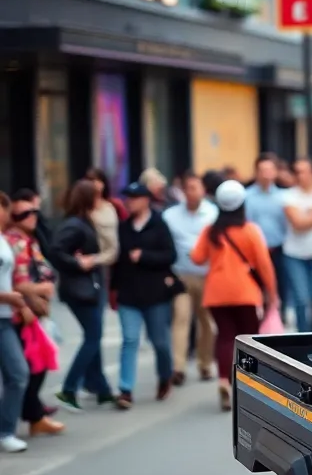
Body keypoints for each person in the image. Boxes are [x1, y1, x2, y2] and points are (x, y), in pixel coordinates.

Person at [191, 181, 278, 411]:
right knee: (249, 340)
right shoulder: (249, 230)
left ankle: (223, 380)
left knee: (225, 337)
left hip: (216, 292)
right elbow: (264, 265)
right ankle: (248, 384)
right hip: (245, 292)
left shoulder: (211, 230)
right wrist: (273, 293)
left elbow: (196, 257)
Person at [50, 180, 116, 411]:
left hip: (88, 287)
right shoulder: (75, 225)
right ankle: (69, 388)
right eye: (96, 196)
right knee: (93, 337)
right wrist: (78, 263)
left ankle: (102, 389)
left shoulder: (84, 221)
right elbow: (56, 252)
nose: (100, 200)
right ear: (88, 199)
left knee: (93, 336)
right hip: (80, 289)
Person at [112, 182, 179, 408]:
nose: (129, 201)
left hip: (155, 294)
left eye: (134, 197)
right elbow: (119, 261)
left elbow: (170, 255)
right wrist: (114, 289)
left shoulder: (159, 224)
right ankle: (125, 390)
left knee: (160, 342)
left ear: (146, 199)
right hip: (128, 294)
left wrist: (144, 256)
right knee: (130, 339)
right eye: (127, 197)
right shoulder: (123, 227)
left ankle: (164, 377)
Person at [4, 190, 64, 436]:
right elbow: (16, 283)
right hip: (21, 312)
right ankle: (29, 417)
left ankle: (34, 415)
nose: (31, 217)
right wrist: (36, 294)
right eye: (24, 214)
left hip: (31, 310)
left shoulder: (30, 239)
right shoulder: (15, 242)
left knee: (34, 365)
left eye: (34, 212)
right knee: (31, 367)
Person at [162, 171, 219, 385]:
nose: (191, 192)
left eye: (195, 187)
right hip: (181, 275)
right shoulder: (170, 216)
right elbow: (165, 245)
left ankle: (205, 364)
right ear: (182, 191)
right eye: (187, 188)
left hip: (207, 276)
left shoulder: (213, 214)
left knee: (207, 323)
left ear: (203, 190)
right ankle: (178, 367)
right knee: (181, 318)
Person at [0, 192, 32, 453]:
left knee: (18, 373)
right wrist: (7, 296)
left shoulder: (4, 239)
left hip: (5, 317)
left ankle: (6, 430)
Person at [282, 158, 312, 333]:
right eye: (296, 171)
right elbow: (298, 225)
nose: (299, 175)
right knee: (301, 299)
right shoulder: (289, 196)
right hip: (295, 255)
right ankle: (303, 335)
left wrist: (308, 215)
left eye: (303, 171)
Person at [245, 153, 291, 320]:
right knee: (257, 288)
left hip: (278, 248)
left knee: (281, 286)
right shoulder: (246, 196)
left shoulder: (284, 197)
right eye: (262, 170)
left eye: (270, 170)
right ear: (256, 172)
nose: (266, 174)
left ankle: (278, 318)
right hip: (254, 252)